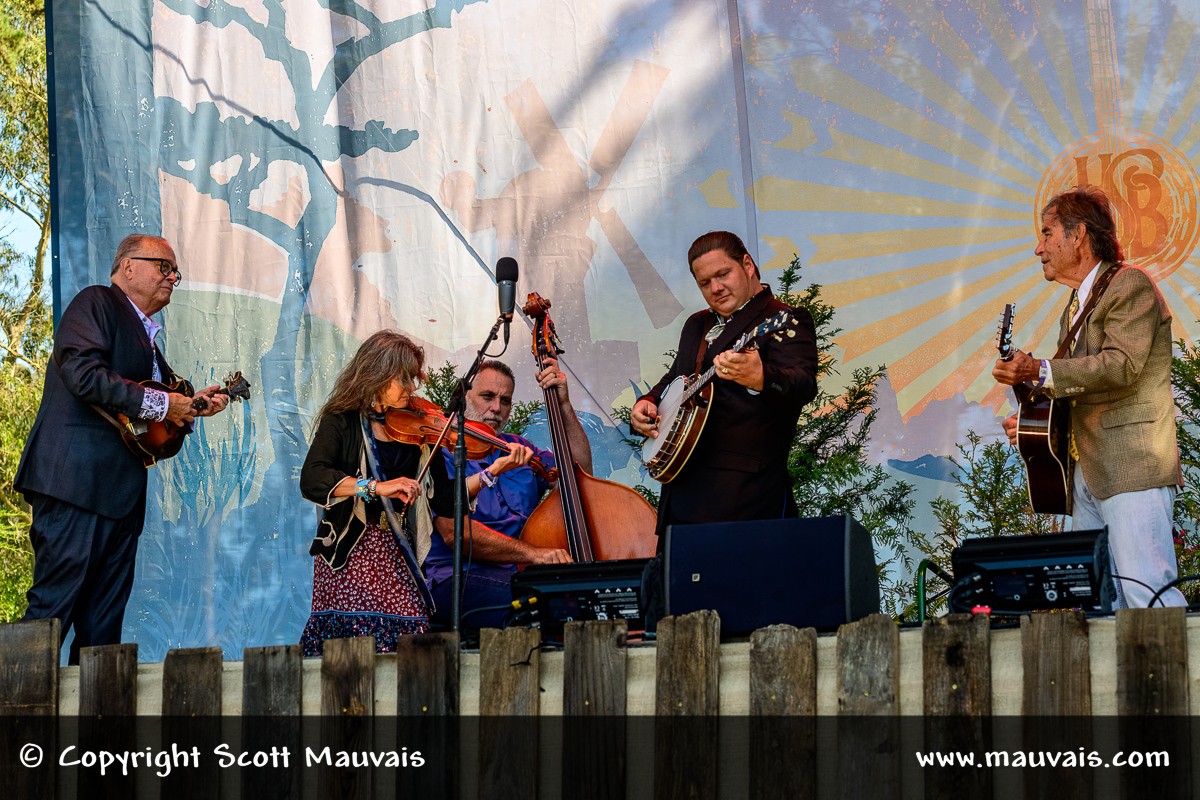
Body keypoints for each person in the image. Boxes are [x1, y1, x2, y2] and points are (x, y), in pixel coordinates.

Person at [15, 234, 231, 664]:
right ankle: (16, 718)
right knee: (51, 612)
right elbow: (82, 373)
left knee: (103, 629)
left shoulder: (150, 343)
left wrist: (190, 407)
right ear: (127, 266)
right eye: (163, 266)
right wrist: (166, 403)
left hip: (119, 495)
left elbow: (151, 423)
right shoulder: (96, 302)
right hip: (74, 484)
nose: (173, 276)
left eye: (176, 272)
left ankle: (92, 728)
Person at [992, 185, 1186, 609]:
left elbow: (1120, 366)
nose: (1038, 247)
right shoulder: (1075, 304)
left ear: (1077, 235)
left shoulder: (1129, 284)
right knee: (1097, 603)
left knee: (1146, 594)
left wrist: (1039, 369)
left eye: (1046, 234)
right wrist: (1030, 423)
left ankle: (1171, 677)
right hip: (1088, 476)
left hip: (1132, 468)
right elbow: (1079, 390)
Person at [630, 230, 818, 537]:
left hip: (745, 500)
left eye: (723, 274)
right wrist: (646, 402)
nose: (716, 288)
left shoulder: (784, 319)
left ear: (747, 265)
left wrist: (762, 378)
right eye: (705, 282)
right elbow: (675, 379)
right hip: (680, 501)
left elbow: (803, 384)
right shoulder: (696, 325)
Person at [299, 330, 457, 655]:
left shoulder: (419, 428)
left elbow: (444, 499)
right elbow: (312, 478)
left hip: (397, 551)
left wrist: (491, 474)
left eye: (413, 379)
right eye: (404, 379)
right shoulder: (341, 420)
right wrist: (373, 486)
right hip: (351, 553)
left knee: (410, 643)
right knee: (356, 654)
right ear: (378, 374)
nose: (412, 389)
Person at [427, 359, 584, 629]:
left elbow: (578, 475)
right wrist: (534, 554)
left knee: (583, 605)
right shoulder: (439, 450)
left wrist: (564, 406)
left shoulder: (518, 448)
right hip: (457, 576)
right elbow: (455, 532)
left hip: (519, 574)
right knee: (532, 613)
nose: (497, 408)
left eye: (505, 400)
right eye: (487, 396)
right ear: (464, 397)